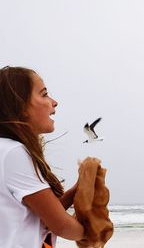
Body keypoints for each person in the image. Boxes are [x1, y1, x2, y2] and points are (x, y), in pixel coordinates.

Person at [0, 66, 84, 247]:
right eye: (44, 94)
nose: (54, 102)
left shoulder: (5, 150)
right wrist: (95, 230)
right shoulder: (13, 152)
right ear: (20, 105)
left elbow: (42, 219)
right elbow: (61, 226)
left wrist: (76, 191)